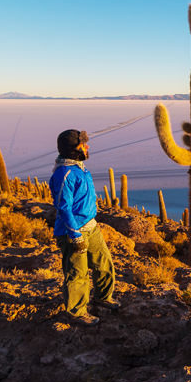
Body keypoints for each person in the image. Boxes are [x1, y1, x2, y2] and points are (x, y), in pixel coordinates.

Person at [49, 128, 117, 323]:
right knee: (77, 273)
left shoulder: (78, 167)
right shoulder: (65, 173)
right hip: (74, 232)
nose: (87, 147)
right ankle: (76, 312)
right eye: (83, 144)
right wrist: (74, 234)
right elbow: (63, 206)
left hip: (90, 226)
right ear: (73, 149)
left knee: (104, 263)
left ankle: (103, 297)